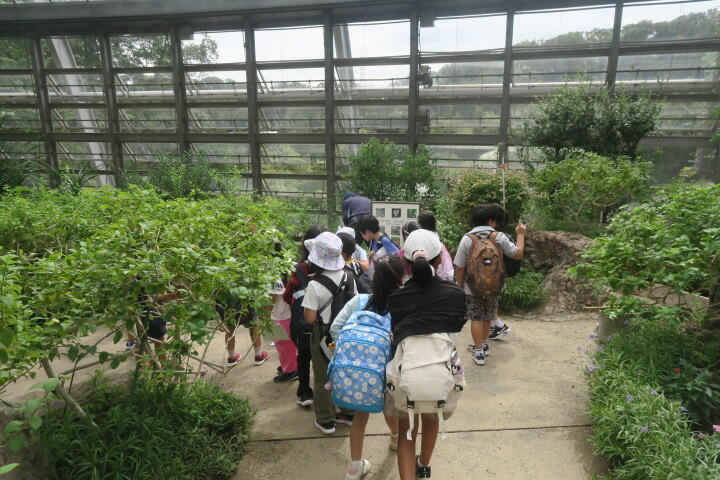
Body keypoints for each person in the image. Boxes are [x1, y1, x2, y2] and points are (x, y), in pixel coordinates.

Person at [387, 229, 467, 480]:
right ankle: (423, 465)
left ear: (407, 263)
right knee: (433, 416)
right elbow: (457, 325)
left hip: (406, 372)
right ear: (440, 259)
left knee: (406, 431)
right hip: (441, 372)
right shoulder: (456, 295)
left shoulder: (397, 298)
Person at [329, 256, 404, 479]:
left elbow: (335, 328)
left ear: (374, 276)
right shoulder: (401, 307)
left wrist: (350, 355)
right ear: (400, 279)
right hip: (390, 371)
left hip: (360, 373)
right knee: (390, 408)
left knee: (360, 417)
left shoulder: (359, 301)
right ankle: (395, 438)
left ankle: (354, 467)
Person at [453, 204, 526, 366]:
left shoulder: (467, 238)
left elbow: (459, 267)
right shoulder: (499, 237)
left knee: (475, 317)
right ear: (491, 221)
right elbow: (517, 254)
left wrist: (460, 286)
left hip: (473, 287)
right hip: (495, 285)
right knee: (488, 316)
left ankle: (479, 352)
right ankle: (484, 345)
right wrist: (520, 234)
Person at [302, 232, 356, 435]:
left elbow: (309, 318)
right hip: (346, 332)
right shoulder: (349, 276)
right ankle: (348, 413)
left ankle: (326, 420)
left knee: (323, 376)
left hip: (324, 335)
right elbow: (355, 304)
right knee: (345, 371)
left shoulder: (315, 284)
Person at [283, 225, 325, 407]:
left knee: (303, 357)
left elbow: (287, 296)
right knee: (323, 359)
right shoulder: (330, 268)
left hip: (303, 324)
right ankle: (325, 395)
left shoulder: (299, 269)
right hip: (324, 323)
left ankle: (304, 393)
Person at [216, 300, 269, 367]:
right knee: (253, 325)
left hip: (226, 304)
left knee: (230, 328)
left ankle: (232, 358)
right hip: (244, 301)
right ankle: (258, 356)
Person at [268, 278, 298, 382]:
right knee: (287, 344)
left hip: (281, 315)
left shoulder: (274, 278)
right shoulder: (277, 274)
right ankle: (289, 365)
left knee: (284, 345)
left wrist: (266, 315)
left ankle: (291, 370)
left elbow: (271, 299)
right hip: (284, 313)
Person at [417, 211, 455, 282]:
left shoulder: (422, 240)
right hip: (441, 280)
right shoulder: (438, 240)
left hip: (429, 280)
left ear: (420, 225)